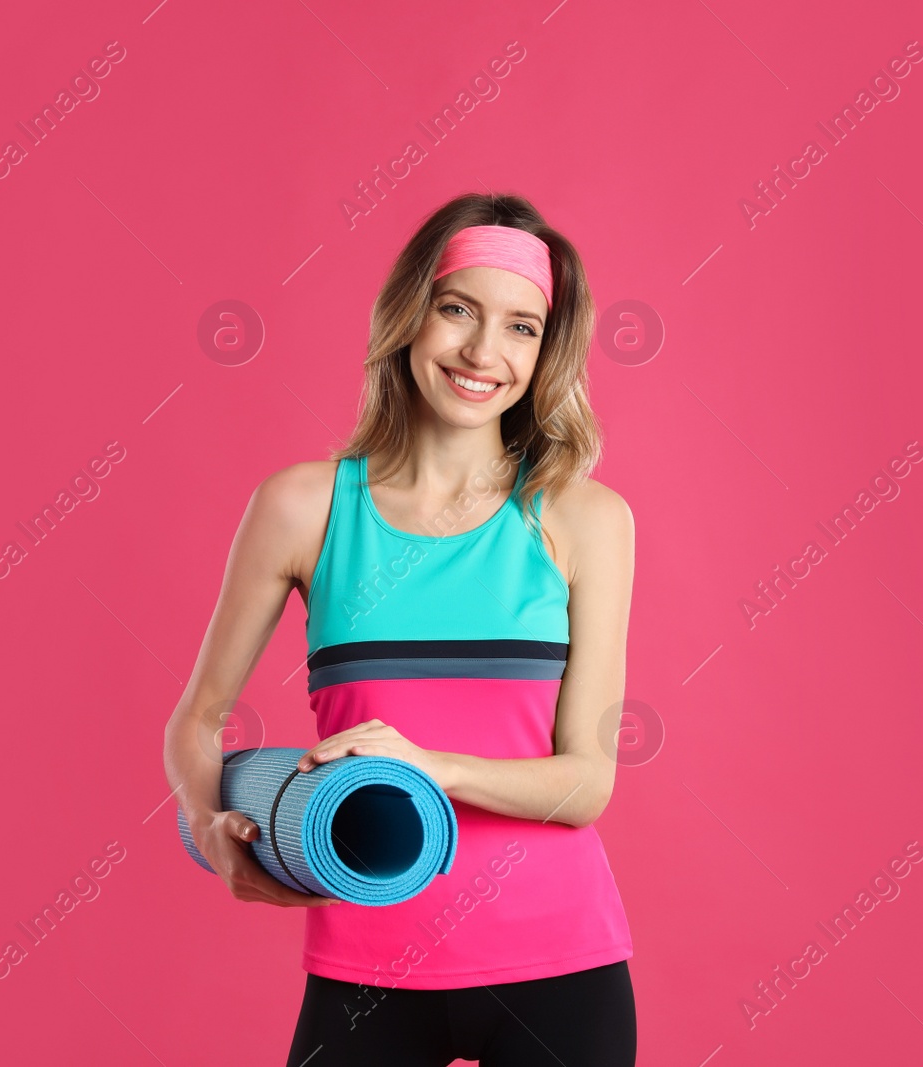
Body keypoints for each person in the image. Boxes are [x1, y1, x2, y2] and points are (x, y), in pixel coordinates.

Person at [164, 192, 637, 1066]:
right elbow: (195, 721)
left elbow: (588, 782)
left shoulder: (582, 518)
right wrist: (207, 826)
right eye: (459, 309)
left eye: (521, 327)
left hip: (560, 967)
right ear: (411, 314)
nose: (483, 352)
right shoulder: (304, 508)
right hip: (365, 971)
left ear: (545, 350)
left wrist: (433, 768)